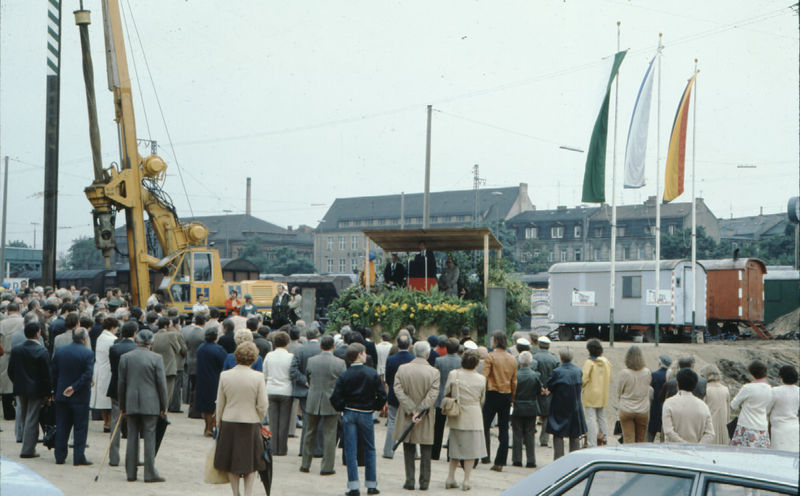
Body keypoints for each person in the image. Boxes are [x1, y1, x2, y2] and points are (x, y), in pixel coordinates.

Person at [330, 342, 386, 496]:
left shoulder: (345, 375)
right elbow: (382, 395)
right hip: (366, 413)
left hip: (349, 412)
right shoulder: (371, 373)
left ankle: (354, 486)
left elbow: (335, 397)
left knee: (350, 450)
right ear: (360, 354)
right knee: (370, 448)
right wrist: (374, 406)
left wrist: (342, 407)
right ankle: (371, 484)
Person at [214, 342, 268, 496]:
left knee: (231, 462)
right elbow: (263, 404)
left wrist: (219, 423)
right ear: (254, 358)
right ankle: (248, 493)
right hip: (250, 422)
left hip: (229, 421)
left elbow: (220, 402)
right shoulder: (258, 377)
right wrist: (258, 417)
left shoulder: (225, 375)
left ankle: (235, 492)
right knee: (250, 462)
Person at [118, 329, 168, 483]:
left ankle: (131, 473)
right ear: (151, 343)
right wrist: (164, 405)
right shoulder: (156, 358)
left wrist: (122, 405)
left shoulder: (125, 358)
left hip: (131, 402)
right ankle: (149, 472)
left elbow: (121, 384)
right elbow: (161, 384)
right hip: (151, 403)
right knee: (150, 438)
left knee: (132, 437)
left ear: (136, 341)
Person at [393, 340, 440, 491]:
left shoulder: (402, 369)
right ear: (427, 354)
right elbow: (433, 395)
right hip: (425, 415)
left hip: (407, 414)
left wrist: (411, 408)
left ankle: (410, 481)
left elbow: (398, 389)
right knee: (426, 448)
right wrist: (420, 410)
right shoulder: (434, 372)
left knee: (408, 446)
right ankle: (424, 482)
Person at [301, 335, 346, 475]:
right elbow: (342, 383)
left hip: (313, 399)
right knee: (330, 435)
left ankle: (305, 464)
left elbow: (308, 377)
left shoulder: (311, 361)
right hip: (331, 401)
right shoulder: (340, 363)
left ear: (321, 346)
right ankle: (327, 467)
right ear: (333, 346)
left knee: (309, 432)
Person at [442, 349, 486, 491]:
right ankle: (466, 480)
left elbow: (446, 392)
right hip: (474, 416)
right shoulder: (481, 379)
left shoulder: (454, 374)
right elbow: (482, 399)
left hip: (457, 414)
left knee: (455, 447)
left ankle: (450, 477)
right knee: (471, 451)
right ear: (476, 363)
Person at [50, 327, 94, 465]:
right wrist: (75, 387)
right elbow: (87, 375)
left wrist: (55, 391)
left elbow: (54, 373)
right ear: (84, 339)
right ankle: (78, 456)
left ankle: (59, 456)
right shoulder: (87, 353)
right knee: (80, 427)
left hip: (62, 394)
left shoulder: (61, 351)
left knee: (62, 425)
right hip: (80, 395)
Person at [8, 322, 50, 458]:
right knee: (32, 418)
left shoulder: (17, 350)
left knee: (26, 417)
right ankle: (27, 449)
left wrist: (17, 382)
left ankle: (28, 445)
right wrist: (47, 393)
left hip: (21, 388)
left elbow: (11, 370)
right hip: (36, 389)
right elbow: (46, 375)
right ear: (38, 333)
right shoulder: (42, 351)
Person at [481, 330, 517, 472]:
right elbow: (514, 381)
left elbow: (484, 377)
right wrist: (513, 398)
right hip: (506, 394)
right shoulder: (512, 358)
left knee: (483, 427)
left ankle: (477, 458)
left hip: (492, 393)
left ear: (495, 341)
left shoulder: (490, 357)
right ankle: (500, 461)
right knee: (504, 429)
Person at [544, 348, 587, 460]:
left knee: (558, 433)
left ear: (561, 358)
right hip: (575, 407)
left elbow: (550, 386)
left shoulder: (557, 372)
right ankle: (574, 461)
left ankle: (558, 460)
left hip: (559, 406)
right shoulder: (578, 371)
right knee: (575, 434)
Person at [107, 321, 138, 467]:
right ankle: (133, 458)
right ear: (134, 333)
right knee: (134, 425)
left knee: (115, 423)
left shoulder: (114, 348)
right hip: (133, 389)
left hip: (116, 387)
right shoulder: (137, 349)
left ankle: (114, 458)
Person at [290, 325, 322, 456]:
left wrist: (305, 381)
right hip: (320, 389)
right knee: (319, 420)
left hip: (304, 389)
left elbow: (293, 370)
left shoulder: (300, 350)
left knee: (306, 420)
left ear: (306, 337)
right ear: (318, 336)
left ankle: (304, 449)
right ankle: (318, 450)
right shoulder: (322, 350)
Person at [382, 333, 414, 459]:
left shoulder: (391, 359)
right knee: (411, 422)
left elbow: (388, 378)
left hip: (394, 392)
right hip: (409, 394)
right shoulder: (413, 358)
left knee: (391, 422)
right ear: (409, 344)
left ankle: (388, 450)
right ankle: (413, 452)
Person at [662, 368, 715, 444]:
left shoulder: (669, 403)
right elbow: (710, 433)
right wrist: (697, 446)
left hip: (673, 450)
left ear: (677, 384)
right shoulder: (703, 406)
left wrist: (684, 444)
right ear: (695, 385)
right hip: (695, 452)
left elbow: (668, 431)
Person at [264, 330, 293, 455]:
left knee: (273, 420)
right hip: (286, 390)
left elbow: (264, 373)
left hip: (271, 389)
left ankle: (273, 447)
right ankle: (282, 448)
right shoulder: (290, 357)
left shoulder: (269, 356)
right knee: (284, 421)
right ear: (287, 343)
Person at [730, 360, 772, 448]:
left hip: (746, 426)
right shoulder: (769, 389)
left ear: (751, 373)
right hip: (762, 427)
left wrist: (741, 405)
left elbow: (733, 405)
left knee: (742, 455)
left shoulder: (748, 388)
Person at [511, 351, 543, 468]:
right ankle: (531, 460)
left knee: (517, 433)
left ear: (519, 361)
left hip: (518, 406)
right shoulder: (535, 375)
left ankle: (517, 459)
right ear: (530, 362)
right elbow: (539, 390)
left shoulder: (515, 375)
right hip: (531, 406)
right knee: (530, 433)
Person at [432, 337, 461, 460]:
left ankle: (435, 453)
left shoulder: (439, 360)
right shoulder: (461, 361)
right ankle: (451, 454)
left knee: (438, 426)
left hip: (441, 395)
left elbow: (435, 377)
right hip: (455, 395)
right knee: (454, 427)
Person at [196, 326, 228, 436]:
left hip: (202, 379)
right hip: (214, 380)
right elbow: (225, 364)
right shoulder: (219, 350)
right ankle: (211, 427)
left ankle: (207, 427)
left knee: (205, 407)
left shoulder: (200, 348)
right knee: (213, 405)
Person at [616, 345, 651, 444]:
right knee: (641, 440)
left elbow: (619, 392)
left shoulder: (624, 373)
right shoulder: (647, 372)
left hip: (627, 408)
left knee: (628, 439)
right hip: (643, 409)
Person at [151, 317, 187, 410]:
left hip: (155, 367)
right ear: (166, 326)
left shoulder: (153, 336)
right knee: (167, 394)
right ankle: (164, 412)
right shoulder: (171, 336)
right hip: (169, 368)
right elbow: (178, 349)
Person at [581, 338, 612, 447]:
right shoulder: (606, 362)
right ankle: (605, 439)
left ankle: (592, 443)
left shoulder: (588, 363)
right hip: (603, 393)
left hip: (590, 394)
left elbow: (583, 379)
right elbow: (610, 376)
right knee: (602, 418)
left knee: (591, 419)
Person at [90, 317, 118, 432]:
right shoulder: (113, 339)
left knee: (101, 397)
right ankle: (110, 422)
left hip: (99, 368)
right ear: (112, 328)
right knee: (109, 398)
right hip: (108, 370)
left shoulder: (100, 337)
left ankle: (106, 422)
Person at [532, 336, 558, 447]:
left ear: (539, 344)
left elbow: (532, 373)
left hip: (535, 390)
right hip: (549, 392)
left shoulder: (534, 357)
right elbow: (557, 375)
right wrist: (549, 388)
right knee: (547, 416)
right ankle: (544, 440)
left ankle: (529, 439)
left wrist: (541, 387)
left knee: (533, 415)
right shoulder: (554, 358)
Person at [767, 365, 799, 452]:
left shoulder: (775, 391)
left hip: (779, 428)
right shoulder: (798, 391)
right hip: (795, 427)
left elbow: (767, 409)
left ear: (781, 377)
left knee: (779, 455)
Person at [181, 313, 206, 418]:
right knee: (199, 388)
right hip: (200, 363)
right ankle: (198, 411)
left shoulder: (187, 332)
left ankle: (191, 409)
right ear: (204, 322)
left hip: (189, 361)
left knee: (192, 387)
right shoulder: (203, 334)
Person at [700, 364, 730, 445]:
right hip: (723, 427)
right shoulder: (725, 389)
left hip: (709, 426)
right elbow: (728, 412)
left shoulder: (706, 389)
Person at [647, 354, 672, 442]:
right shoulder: (671, 376)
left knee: (650, 434)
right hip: (667, 406)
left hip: (655, 407)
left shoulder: (654, 375)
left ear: (660, 363)